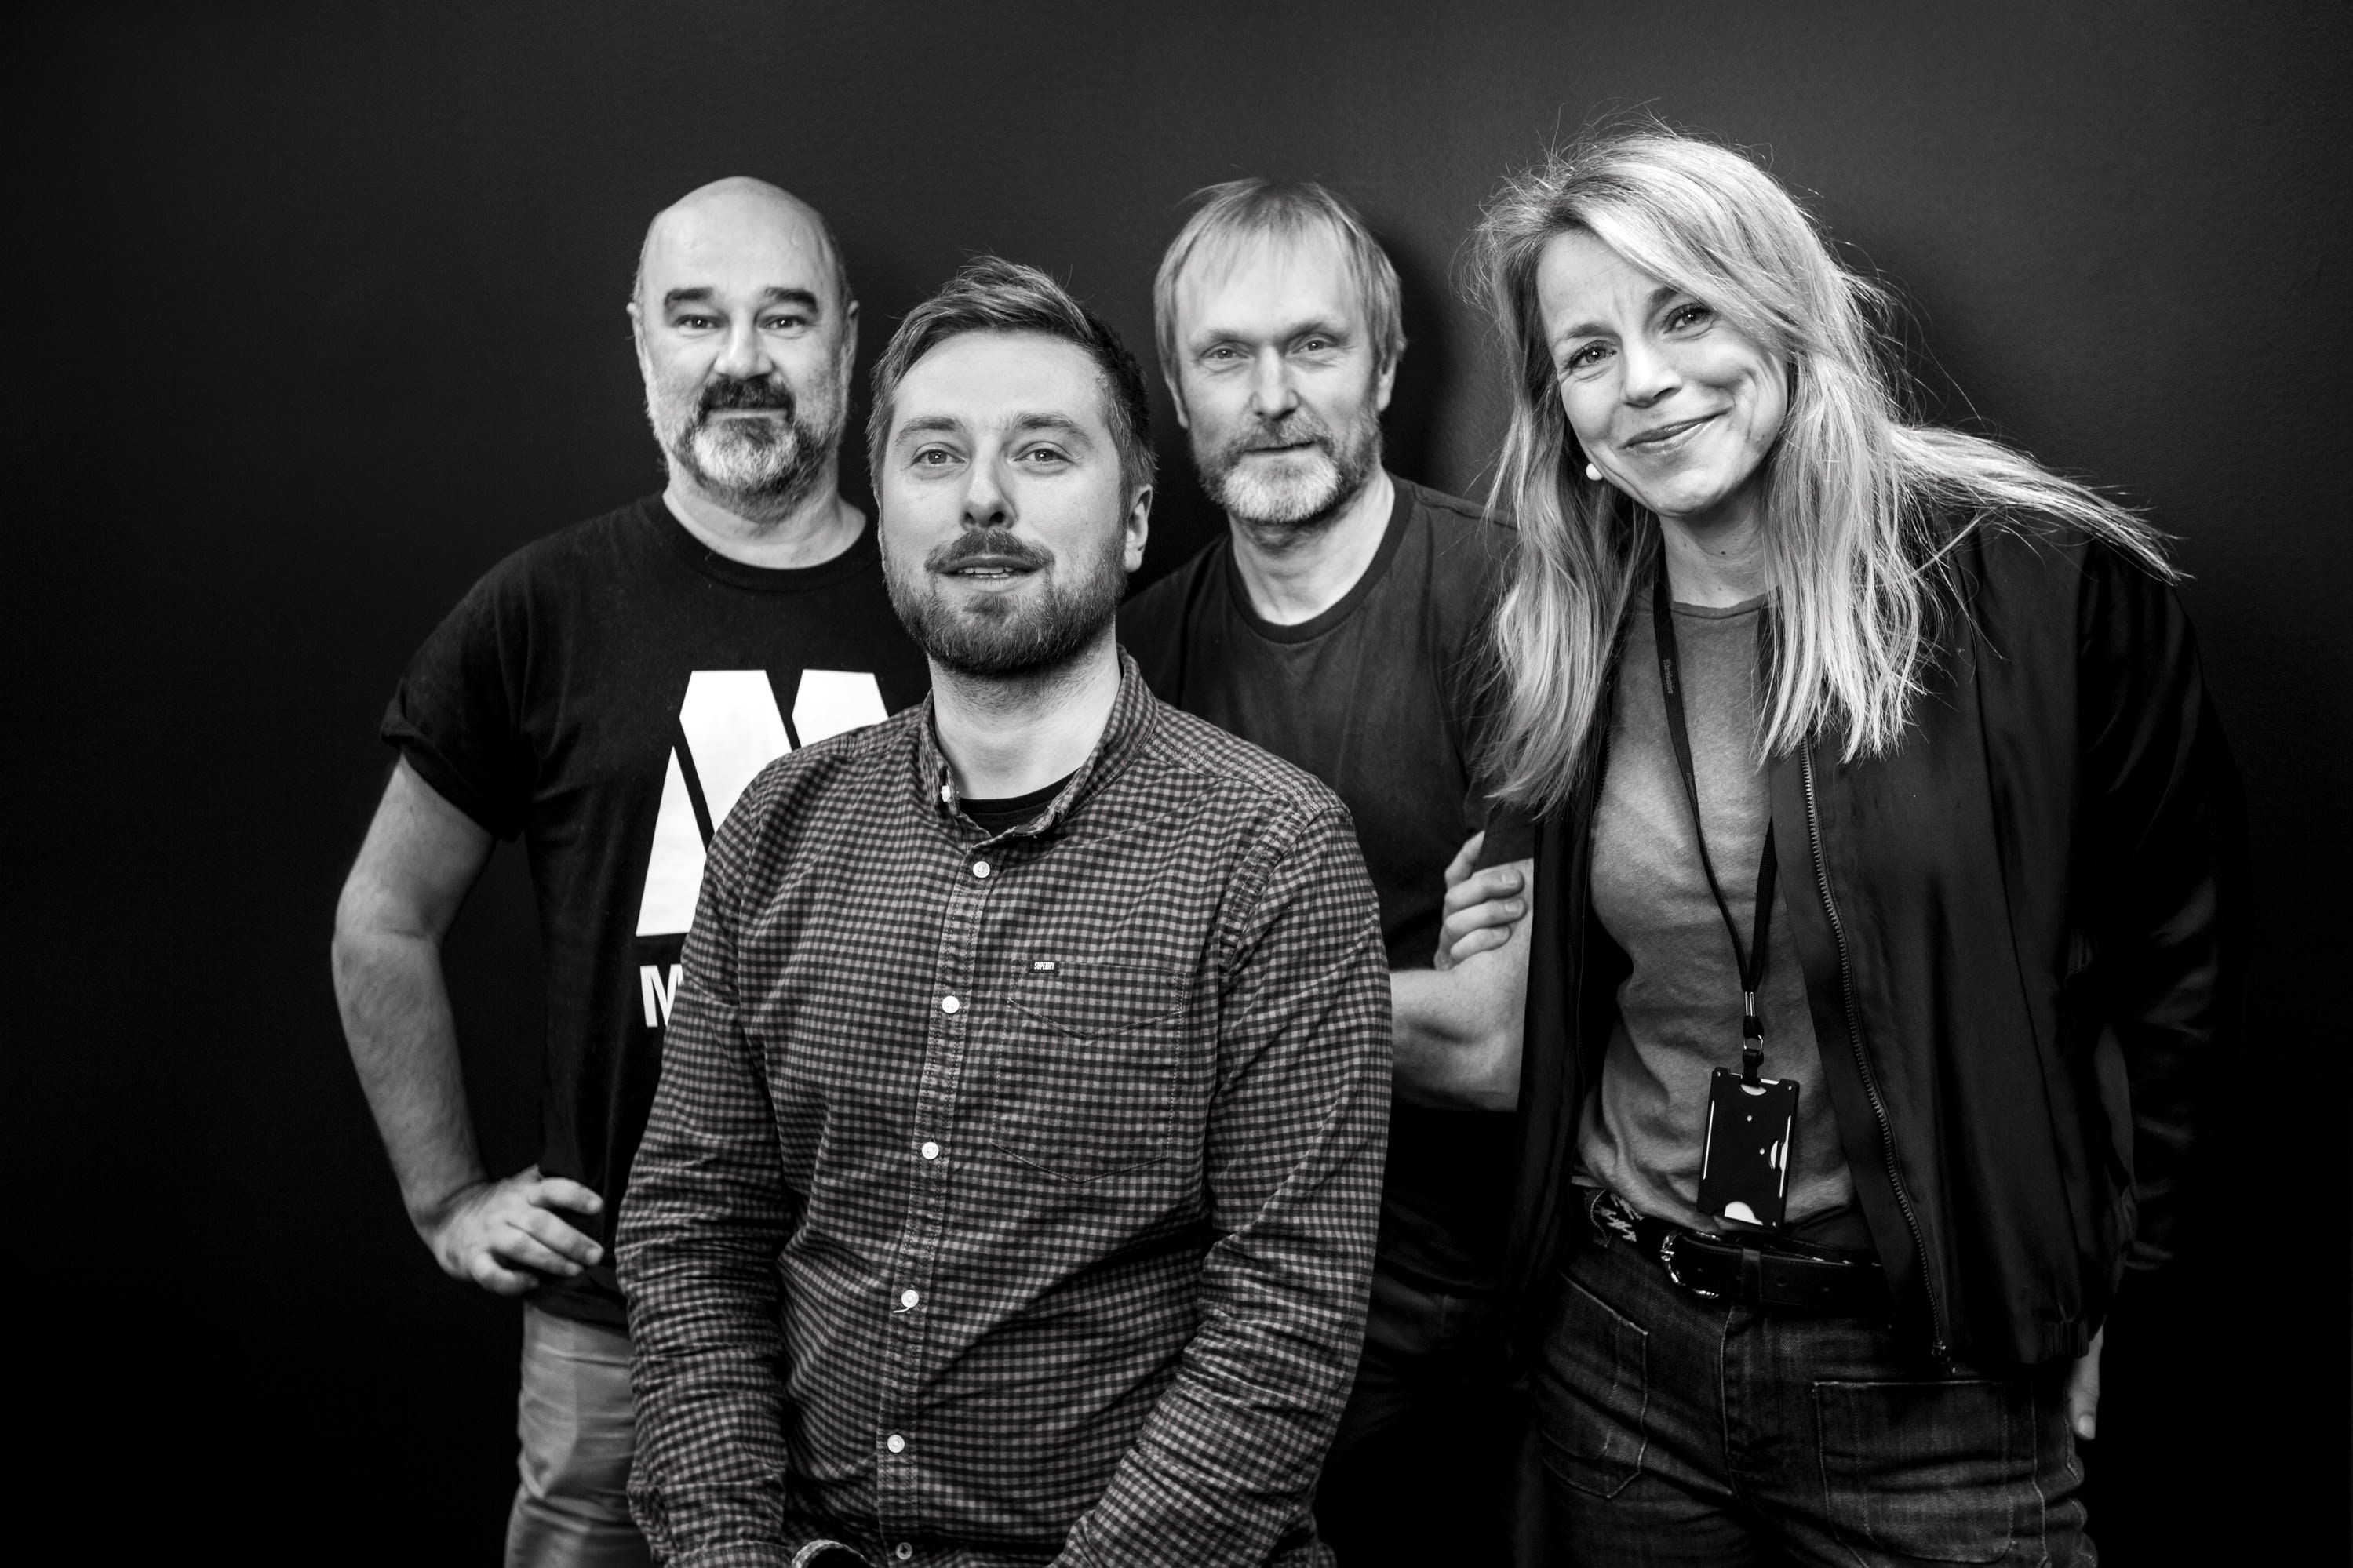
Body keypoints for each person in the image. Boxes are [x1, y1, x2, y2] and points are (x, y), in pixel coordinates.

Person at [1444, 125, 2242, 1565]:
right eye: (1588, 352)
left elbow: (2175, 970)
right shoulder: (1561, 629)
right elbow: (1572, 971)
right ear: (1563, 413)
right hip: (1623, 1349)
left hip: (1934, 1379)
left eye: (1686, 311)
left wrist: (2111, 1281)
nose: (1646, 381)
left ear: (1783, 309)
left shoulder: (2041, 592)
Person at [617, 256, 1393, 1567]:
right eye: (935, 457)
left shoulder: (1274, 854)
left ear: (1135, 521)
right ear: (888, 517)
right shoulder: (777, 827)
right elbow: (695, 1232)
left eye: (1042, 452)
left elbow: (1286, 1323)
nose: (983, 497)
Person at [330, 177, 929, 1567]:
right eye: (698, 318)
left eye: (786, 317)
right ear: (641, 341)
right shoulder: (542, 610)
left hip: (904, 1319)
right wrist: (446, 1201)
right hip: (620, 1328)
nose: (743, 360)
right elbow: (384, 916)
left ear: (849, 338)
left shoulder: (948, 598)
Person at [1118, 179, 1532, 1564]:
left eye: (1314, 346)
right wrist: (1389, 990)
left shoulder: (1510, 604)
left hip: (1478, 1314)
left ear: (1388, 368)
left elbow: (1490, 1049)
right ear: (1179, 396)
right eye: (1226, 356)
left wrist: (1186, 985)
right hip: (1220, 1300)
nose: (1273, 397)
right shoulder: (1136, 661)